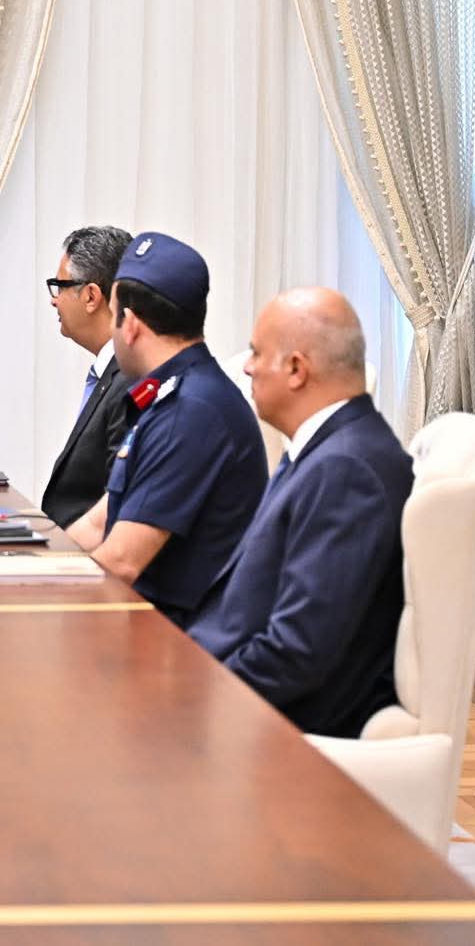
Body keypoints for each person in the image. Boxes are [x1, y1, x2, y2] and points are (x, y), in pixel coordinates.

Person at [188, 288, 413, 737]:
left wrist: (192, 696)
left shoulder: (345, 470)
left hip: (273, 731)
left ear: (296, 369)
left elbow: (297, 651)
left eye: (256, 353)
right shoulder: (328, 450)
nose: (247, 367)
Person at [62, 232, 268, 628]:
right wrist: (27, 570)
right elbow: (96, 525)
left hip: (180, 641)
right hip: (148, 625)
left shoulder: (191, 411)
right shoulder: (171, 394)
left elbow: (122, 562)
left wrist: (41, 604)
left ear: (130, 325)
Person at [39, 225, 139, 529]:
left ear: (91, 296)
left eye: (60, 286)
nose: (54, 300)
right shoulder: (109, 373)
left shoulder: (130, 382)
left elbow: (116, 508)